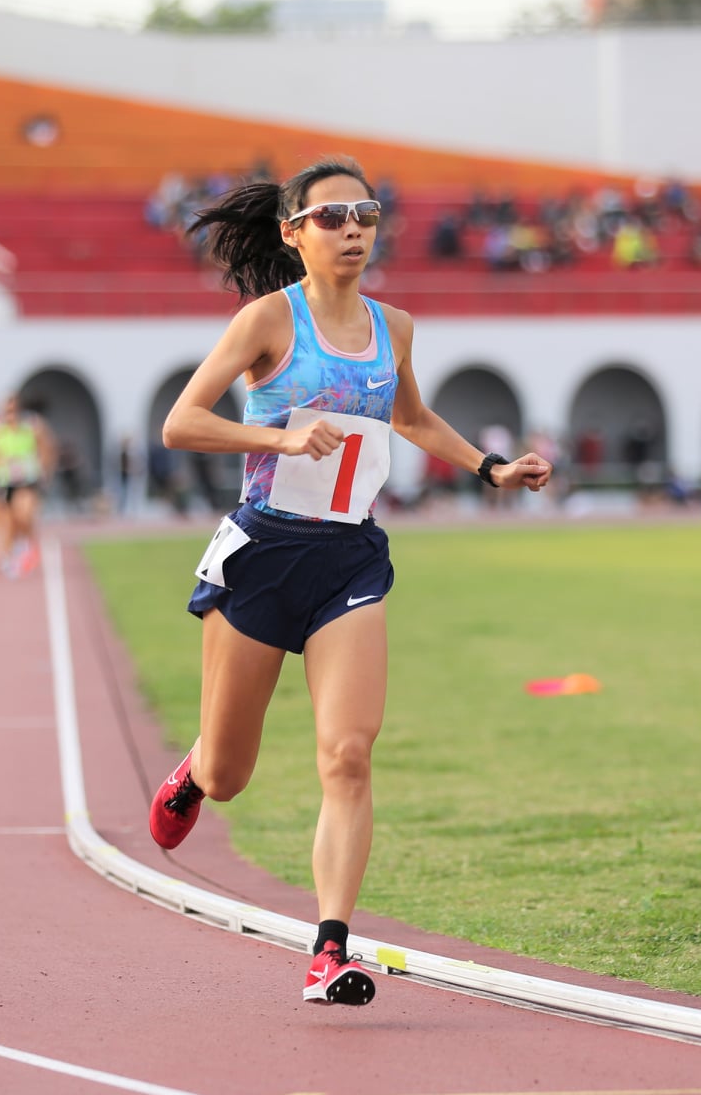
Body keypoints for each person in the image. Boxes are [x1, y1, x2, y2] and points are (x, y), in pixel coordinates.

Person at [151, 157, 551, 1007]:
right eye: (331, 217)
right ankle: (191, 774)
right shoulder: (267, 320)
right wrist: (279, 442)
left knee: (349, 755)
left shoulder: (394, 327)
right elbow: (182, 423)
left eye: (364, 213)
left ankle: (329, 948)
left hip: (348, 562)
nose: (353, 229)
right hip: (262, 555)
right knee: (230, 775)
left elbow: (408, 419)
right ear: (293, 233)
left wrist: (489, 466)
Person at [0, 395, 56, 577]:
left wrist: (45, 470)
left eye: (13, 411)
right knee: (7, 523)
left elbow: (47, 449)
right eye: (6, 411)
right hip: (4, 481)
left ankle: (26, 543)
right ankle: (11, 555)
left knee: (23, 513)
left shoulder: (32, 428)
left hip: (27, 480)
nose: (10, 415)